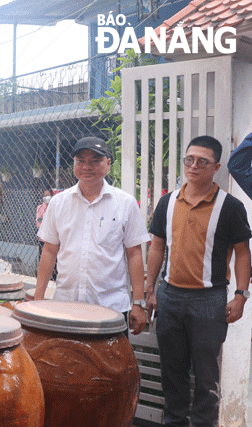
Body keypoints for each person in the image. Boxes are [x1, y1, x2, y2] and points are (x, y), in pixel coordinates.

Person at [146, 135, 251, 427]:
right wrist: (149, 291)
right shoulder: (168, 202)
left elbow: (243, 253)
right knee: (173, 375)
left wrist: (241, 296)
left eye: (202, 162)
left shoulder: (230, 207)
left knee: (207, 381)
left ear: (216, 167)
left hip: (209, 302)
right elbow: (157, 246)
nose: (194, 166)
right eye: (189, 160)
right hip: (169, 298)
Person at [34, 137, 150, 336]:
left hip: (110, 308)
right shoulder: (59, 202)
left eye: (95, 160)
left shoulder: (125, 203)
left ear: (108, 164)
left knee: (110, 366)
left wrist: (138, 302)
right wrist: (38, 298)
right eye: (81, 160)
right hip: (66, 306)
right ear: (74, 164)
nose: (87, 166)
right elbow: (50, 250)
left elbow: (134, 254)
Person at [35, 187, 56, 280]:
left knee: (54, 261)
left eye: (48, 195)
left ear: (52, 196)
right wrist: (48, 223)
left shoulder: (55, 207)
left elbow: (56, 223)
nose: (46, 197)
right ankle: (43, 278)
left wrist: (44, 221)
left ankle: (54, 278)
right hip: (43, 238)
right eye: (44, 195)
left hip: (53, 239)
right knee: (43, 260)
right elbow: (38, 223)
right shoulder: (39, 208)